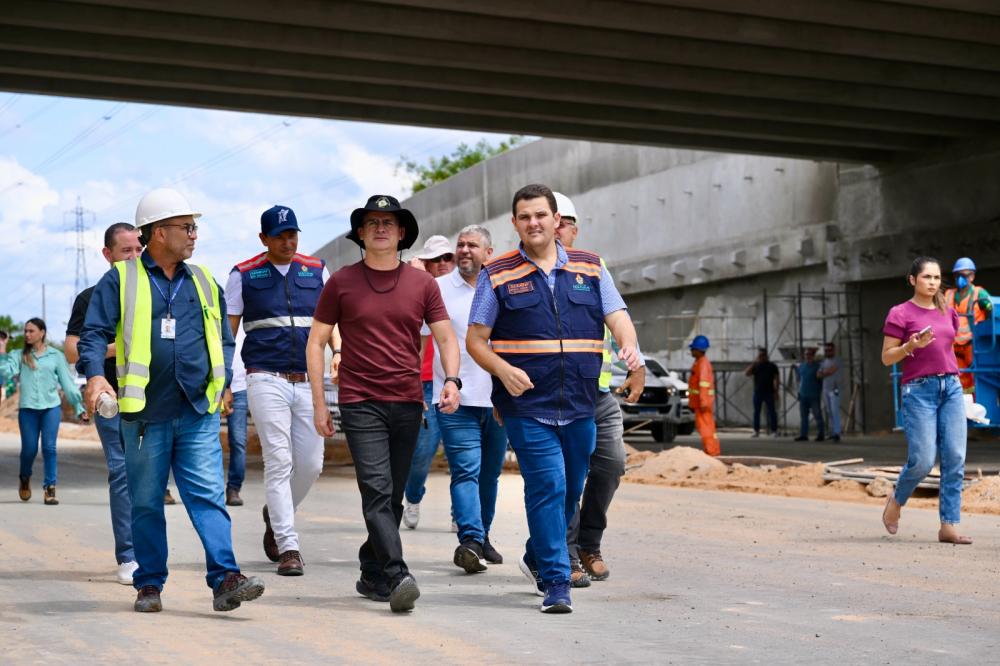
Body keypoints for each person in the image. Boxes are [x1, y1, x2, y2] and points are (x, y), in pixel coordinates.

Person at [77, 187, 264, 613]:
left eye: (194, 227)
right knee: (146, 503)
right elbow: (94, 334)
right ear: (159, 232)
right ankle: (149, 584)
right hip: (145, 415)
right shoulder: (121, 279)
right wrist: (95, 376)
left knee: (208, 496)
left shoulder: (202, 280)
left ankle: (225, 577)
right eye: (187, 227)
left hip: (196, 410)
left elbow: (224, 337)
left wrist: (221, 382)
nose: (194, 235)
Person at [467, 183, 640, 614]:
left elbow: (617, 315)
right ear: (515, 223)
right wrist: (503, 371)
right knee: (548, 486)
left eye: (541, 215)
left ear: (556, 219)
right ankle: (556, 581)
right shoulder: (497, 273)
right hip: (527, 403)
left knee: (570, 489)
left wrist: (630, 347)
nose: (534, 223)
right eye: (525, 217)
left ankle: (537, 553)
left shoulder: (591, 267)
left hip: (581, 400)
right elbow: (476, 340)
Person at [307, 194, 460, 613]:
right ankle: (397, 574)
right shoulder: (341, 282)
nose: (379, 228)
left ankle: (371, 569)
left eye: (388, 222)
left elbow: (446, 337)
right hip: (360, 401)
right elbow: (316, 342)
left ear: (402, 233)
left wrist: (452, 380)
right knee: (376, 490)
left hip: (408, 401)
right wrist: (320, 403)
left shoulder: (423, 284)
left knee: (391, 497)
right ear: (360, 233)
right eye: (371, 222)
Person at [227, 205, 329, 576]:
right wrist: (225, 380)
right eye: (280, 236)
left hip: (309, 379)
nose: (288, 242)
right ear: (263, 238)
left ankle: (276, 513)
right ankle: (289, 547)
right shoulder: (243, 274)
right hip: (264, 376)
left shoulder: (317, 270)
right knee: (279, 460)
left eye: (292, 235)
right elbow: (228, 333)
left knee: (312, 464)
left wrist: (340, 353)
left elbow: (332, 322)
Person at [553, 191, 645, 587]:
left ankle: (589, 544)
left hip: (598, 392)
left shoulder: (593, 266)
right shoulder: (525, 272)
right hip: (555, 396)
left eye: (564, 223)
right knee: (564, 477)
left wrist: (636, 363)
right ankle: (566, 552)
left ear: (574, 229)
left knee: (611, 464)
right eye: (552, 221)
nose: (557, 229)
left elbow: (617, 315)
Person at [419, 225, 508, 573]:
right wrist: (415, 385)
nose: (465, 250)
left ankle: (483, 536)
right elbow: (420, 341)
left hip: (498, 399)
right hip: (454, 397)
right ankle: (469, 539)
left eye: (472, 245)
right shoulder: (438, 289)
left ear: (488, 253)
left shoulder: (502, 286)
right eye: (461, 245)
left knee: (490, 474)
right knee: (466, 470)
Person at [65, 222, 143, 584]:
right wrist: (118, 347)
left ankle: (148, 549)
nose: (134, 256)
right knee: (122, 471)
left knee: (150, 475)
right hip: (110, 397)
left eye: (138, 249)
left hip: (153, 398)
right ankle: (128, 556)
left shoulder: (155, 290)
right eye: (126, 251)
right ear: (107, 254)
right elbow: (72, 350)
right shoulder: (91, 297)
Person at [880, 256, 970, 545]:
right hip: (919, 391)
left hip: (951, 387)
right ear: (912, 280)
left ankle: (949, 525)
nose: (932, 282)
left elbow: (949, 346)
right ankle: (897, 500)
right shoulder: (900, 313)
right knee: (922, 461)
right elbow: (886, 358)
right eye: (926, 277)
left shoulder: (947, 311)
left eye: (936, 277)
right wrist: (910, 346)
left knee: (955, 457)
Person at [0, 318, 87, 506]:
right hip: (28, 410)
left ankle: (50, 488)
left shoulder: (56, 356)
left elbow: (68, 384)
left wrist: (79, 408)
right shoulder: (19, 355)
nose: (27, 334)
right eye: (25, 331)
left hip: (51, 408)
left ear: (42, 332)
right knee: (29, 450)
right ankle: (25, 477)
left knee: (49, 448)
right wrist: (2, 351)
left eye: (31, 331)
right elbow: (6, 373)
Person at [402, 234, 455, 529]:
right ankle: (412, 497)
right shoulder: (415, 290)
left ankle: (462, 513)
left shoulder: (462, 290)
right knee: (422, 452)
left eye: (448, 257)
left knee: (462, 454)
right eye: (436, 259)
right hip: (424, 383)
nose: (443, 263)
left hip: (454, 382)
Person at [944, 257, 993, 395]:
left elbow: (992, 310)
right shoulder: (949, 295)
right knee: (959, 379)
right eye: (957, 275)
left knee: (979, 377)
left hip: (974, 344)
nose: (960, 279)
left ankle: (980, 403)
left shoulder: (979, 293)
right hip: (953, 346)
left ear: (972, 276)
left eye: (964, 275)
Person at [223, 328, 247, 507]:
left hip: (241, 389)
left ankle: (234, 488)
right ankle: (211, 489)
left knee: (238, 441)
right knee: (202, 441)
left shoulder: (248, 322)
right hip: (214, 385)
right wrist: (225, 385)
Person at [688, 335, 721, 456]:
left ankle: (711, 451)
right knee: (708, 428)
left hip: (702, 403)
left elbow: (703, 385)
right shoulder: (699, 363)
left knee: (705, 428)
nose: (691, 351)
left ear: (699, 350)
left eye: (693, 349)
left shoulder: (702, 364)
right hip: (701, 403)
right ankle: (713, 450)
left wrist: (703, 402)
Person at [744, 347, 779, 438]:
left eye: (763, 355)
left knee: (772, 411)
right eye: (759, 355)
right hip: (758, 392)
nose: (761, 357)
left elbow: (776, 379)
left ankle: (774, 430)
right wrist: (754, 362)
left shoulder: (772, 366)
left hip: (769, 392)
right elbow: (747, 373)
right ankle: (756, 430)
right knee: (756, 412)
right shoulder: (756, 366)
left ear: (766, 356)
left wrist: (776, 391)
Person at [794, 347, 824, 442]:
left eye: (810, 354)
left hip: (814, 395)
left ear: (813, 356)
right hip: (803, 395)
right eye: (806, 354)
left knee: (817, 415)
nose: (808, 356)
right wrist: (799, 392)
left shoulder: (817, 366)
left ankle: (821, 434)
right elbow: (799, 380)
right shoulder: (802, 366)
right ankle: (804, 435)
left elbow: (820, 380)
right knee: (804, 416)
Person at [817, 342, 843, 442]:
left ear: (833, 350)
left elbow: (831, 371)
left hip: (835, 389)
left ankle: (837, 433)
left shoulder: (838, 360)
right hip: (825, 389)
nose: (827, 352)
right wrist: (825, 372)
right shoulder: (824, 361)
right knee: (829, 411)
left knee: (835, 410)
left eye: (829, 350)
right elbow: (818, 375)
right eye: (826, 350)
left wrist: (824, 372)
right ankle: (832, 431)